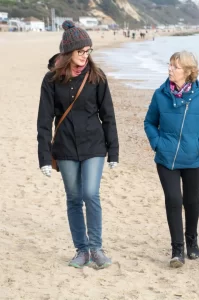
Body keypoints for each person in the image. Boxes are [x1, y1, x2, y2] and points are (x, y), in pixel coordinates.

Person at [37, 21, 119, 269]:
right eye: (80, 52)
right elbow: (44, 121)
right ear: (68, 52)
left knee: (90, 194)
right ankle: (81, 251)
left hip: (94, 145)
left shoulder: (97, 76)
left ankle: (96, 248)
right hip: (65, 147)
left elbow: (108, 115)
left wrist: (113, 151)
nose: (85, 56)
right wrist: (43, 158)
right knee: (73, 198)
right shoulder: (51, 80)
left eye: (88, 51)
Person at [144, 51, 199, 268]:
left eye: (175, 66)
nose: (170, 69)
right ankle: (177, 250)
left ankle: (192, 241)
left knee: (191, 201)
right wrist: (157, 143)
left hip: (194, 159)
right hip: (166, 158)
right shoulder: (160, 94)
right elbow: (149, 122)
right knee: (173, 200)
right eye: (169, 65)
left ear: (187, 72)